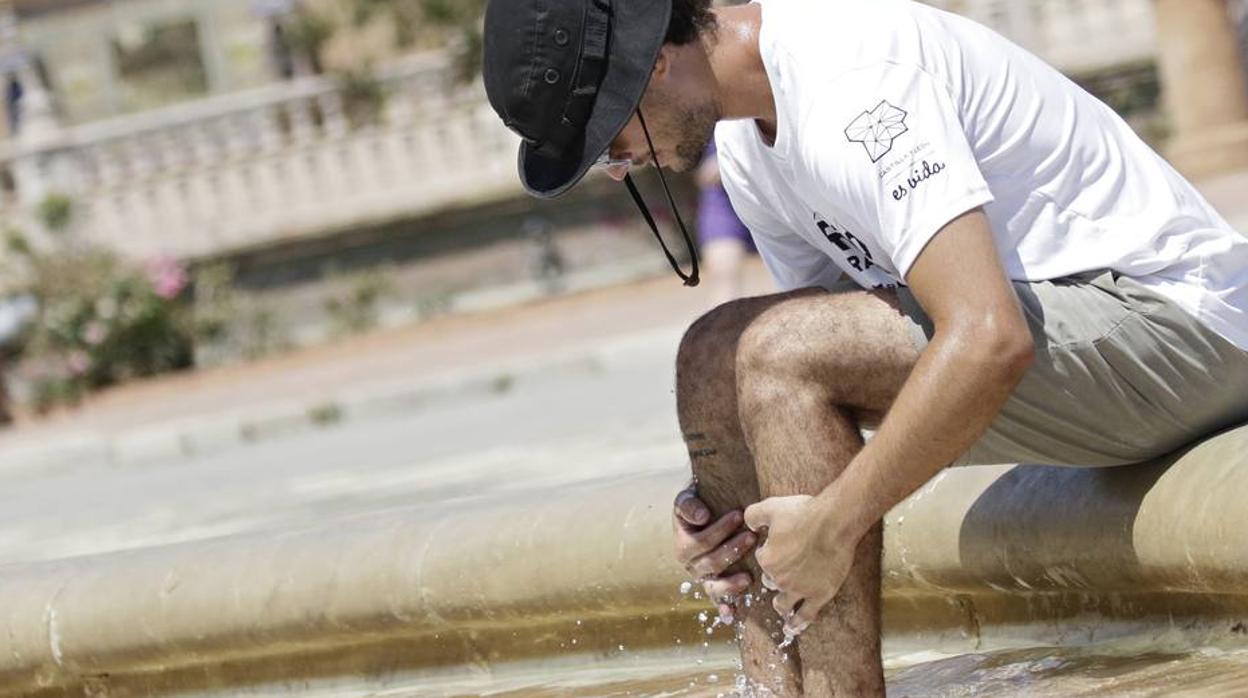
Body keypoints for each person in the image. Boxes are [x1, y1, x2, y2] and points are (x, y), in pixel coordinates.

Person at [480, 0, 1248, 695]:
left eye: (606, 135)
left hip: (1185, 328)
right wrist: (721, 506)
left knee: (779, 350)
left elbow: (987, 336)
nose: (615, 166)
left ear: (652, 60)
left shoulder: (852, 71)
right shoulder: (749, 145)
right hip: (1077, 357)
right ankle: (775, 691)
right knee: (714, 351)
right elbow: (827, 354)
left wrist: (835, 522)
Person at [695, 140, 756, 305]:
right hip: (721, 196)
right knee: (722, 273)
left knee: (801, 273)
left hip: (768, 187)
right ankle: (725, 329)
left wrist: (732, 157)